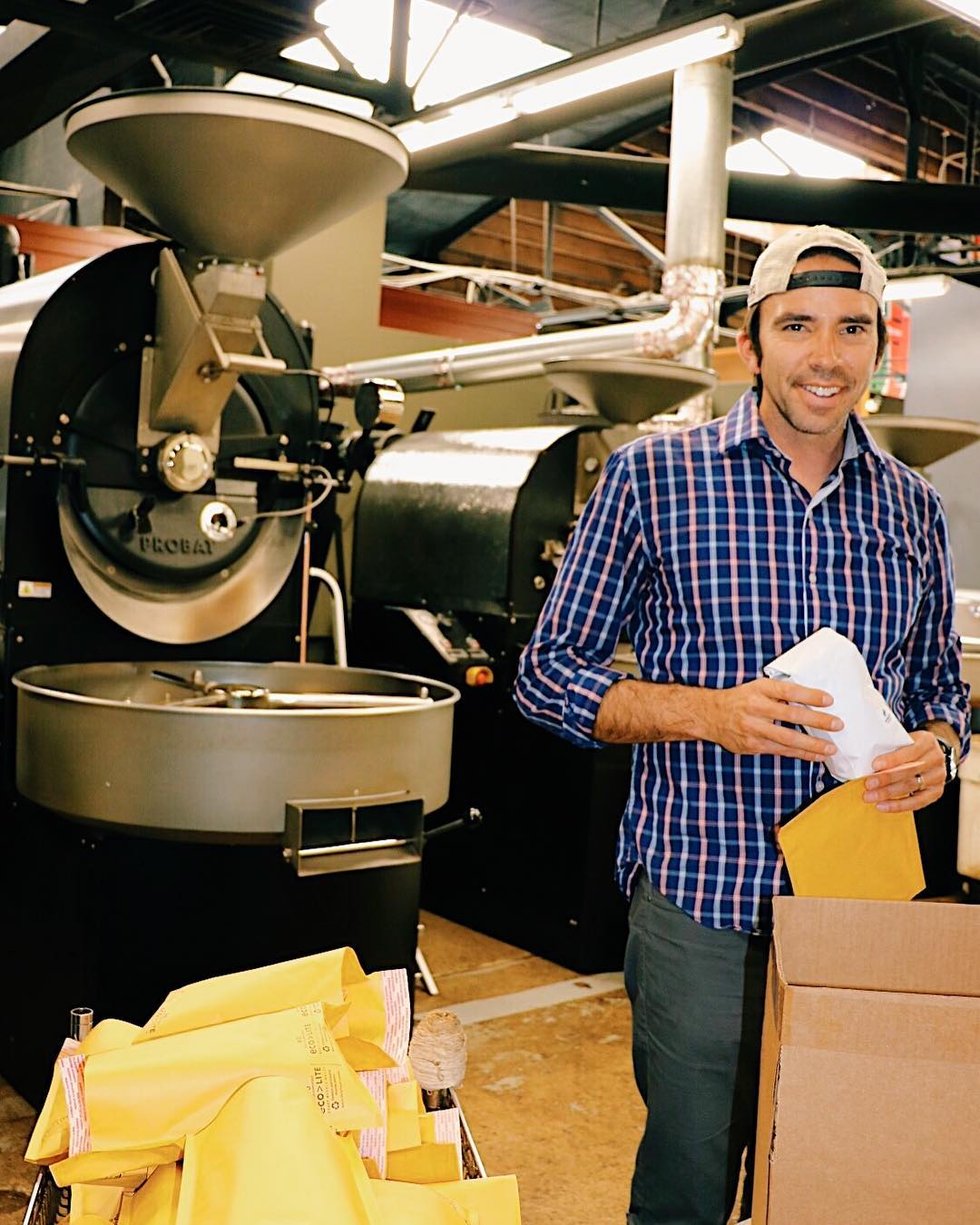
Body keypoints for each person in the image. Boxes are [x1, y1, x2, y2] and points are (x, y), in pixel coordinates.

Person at [512, 224, 971, 1225]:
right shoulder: (653, 478)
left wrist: (939, 749)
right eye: (796, 326)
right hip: (703, 905)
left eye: (851, 328)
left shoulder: (912, 507)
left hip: (859, 903)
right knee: (687, 1187)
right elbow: (545, 676)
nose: (825, 355)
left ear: (876, 346)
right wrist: (707, 712)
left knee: (832, 1175)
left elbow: (944, 689)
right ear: (748, 344)